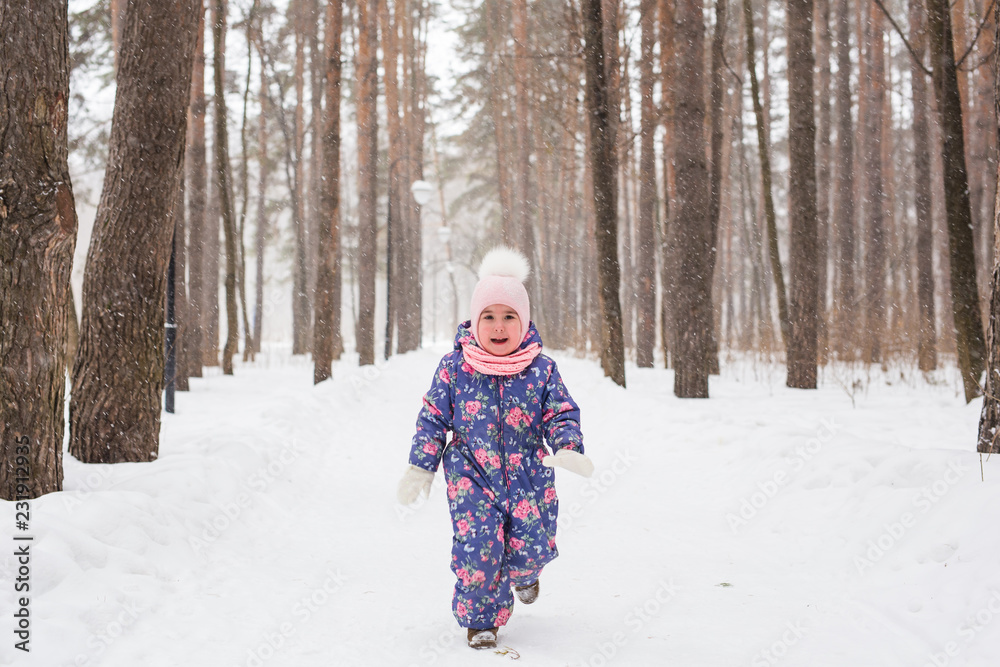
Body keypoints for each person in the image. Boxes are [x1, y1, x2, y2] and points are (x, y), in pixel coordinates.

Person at [397, 246, 594, 650]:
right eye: (489, 316)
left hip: (529, 474)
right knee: (480, 549)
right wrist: (421, 466)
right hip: (471, 473)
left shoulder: (541, 369)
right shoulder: (455, 367)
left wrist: (568, 445)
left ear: (523, 323)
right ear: (475, 320)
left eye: (509, 317)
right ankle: (482, 618)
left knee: (530, 548)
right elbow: (433, 417)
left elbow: (560, 412)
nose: (499, 326)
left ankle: (526, 574)